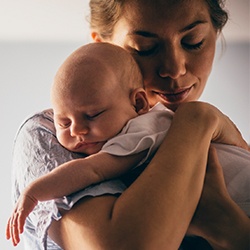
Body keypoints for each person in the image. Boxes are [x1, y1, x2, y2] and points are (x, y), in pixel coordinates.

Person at [9, 0, 250, 249]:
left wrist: (232, 227)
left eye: (194, 41)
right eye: (144, 48)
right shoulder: (51, 133)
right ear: (102, 47)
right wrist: (196, 120)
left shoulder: (220, 145)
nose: (174, 69)